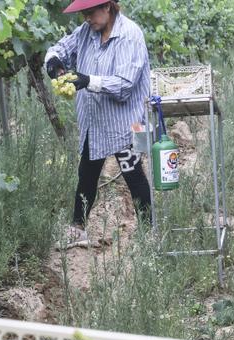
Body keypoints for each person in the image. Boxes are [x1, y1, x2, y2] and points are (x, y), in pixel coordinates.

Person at [45, 0, 152, 249]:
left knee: (133, 175)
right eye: (83, 13)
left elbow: (124, 85)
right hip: (94, 123)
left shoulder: (129, 35)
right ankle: (77, 229)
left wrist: (87, 80)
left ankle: (150, 232)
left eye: (90, 12)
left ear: (108, 7)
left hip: (125, 123)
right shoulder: (86, 32)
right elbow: (59, 48)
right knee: (87, 175)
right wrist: (55, 63)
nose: (86, 18)